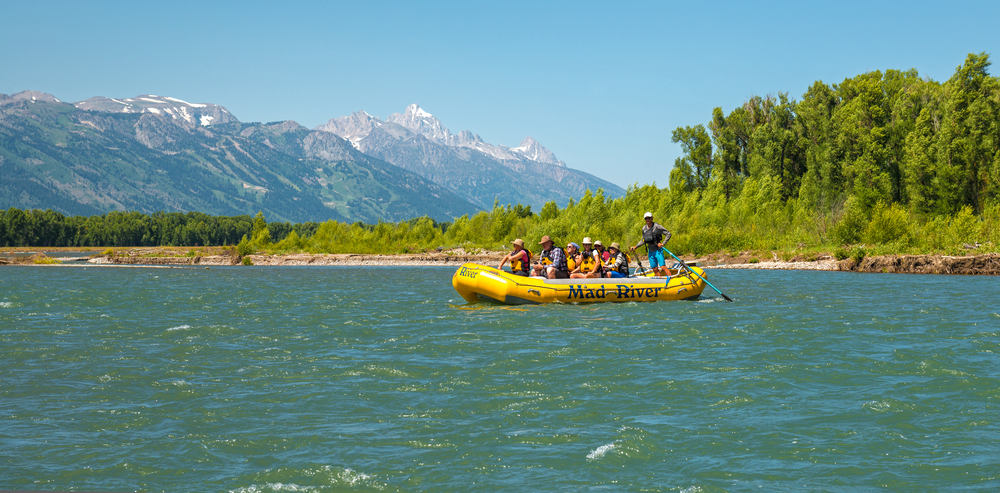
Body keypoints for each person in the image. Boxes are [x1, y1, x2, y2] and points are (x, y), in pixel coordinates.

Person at [631, 211, 671, 277]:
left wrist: (663, 243)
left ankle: (671, 280)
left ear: (652, 218)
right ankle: (659, 281)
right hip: (650, 251)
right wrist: (636, 246)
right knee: (654, 269)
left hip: (658, 250)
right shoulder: (644, 228)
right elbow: (643, 240)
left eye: (649, 218)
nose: (647, 220)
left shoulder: (657, 226)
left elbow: (668, 234)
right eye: (646, 218)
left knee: (663, 267)